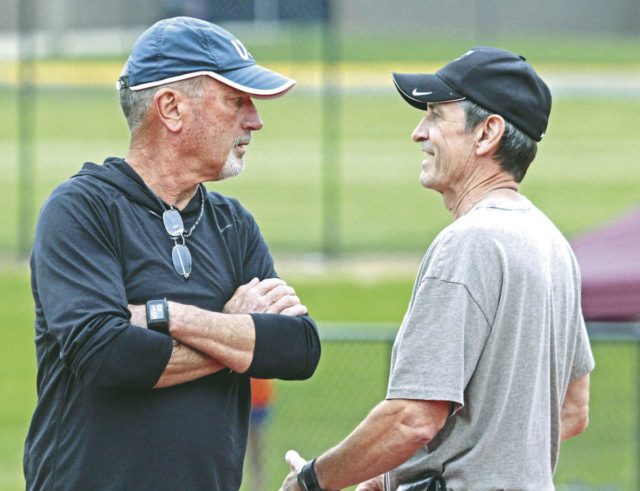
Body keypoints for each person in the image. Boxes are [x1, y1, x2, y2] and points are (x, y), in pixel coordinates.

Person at [24, 16, 321, 490]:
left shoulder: (232, 223)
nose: (255, 119)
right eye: (236, 100)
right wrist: (239, 336)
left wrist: (166, 316)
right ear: (171, 109)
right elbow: (107, 354)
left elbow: (297, 349)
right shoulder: (81, 209)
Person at [281, 47, 594, 490]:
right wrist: (392, 475)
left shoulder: (468, 243)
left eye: (434, 115)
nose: (418, 132)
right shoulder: (553, 244)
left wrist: (311, 482)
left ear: (487, 134)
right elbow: (573, 410)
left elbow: (413, 420)